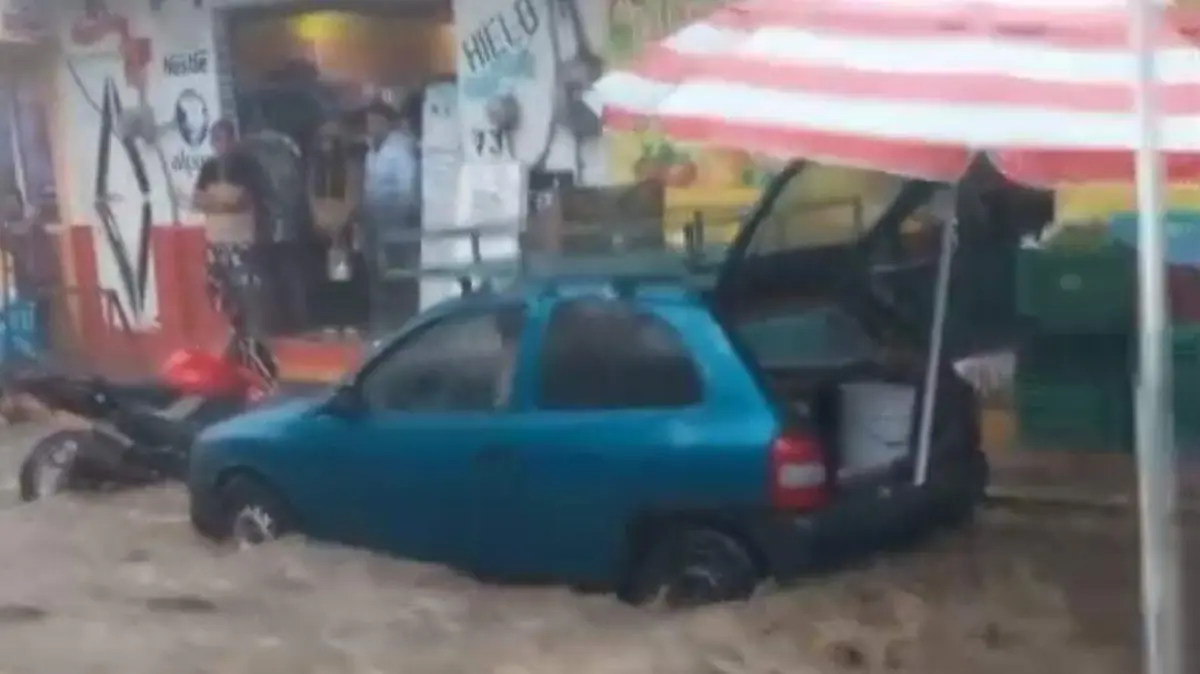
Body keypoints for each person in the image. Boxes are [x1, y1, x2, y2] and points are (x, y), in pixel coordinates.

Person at [189, 119, 277, 383]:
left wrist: (216, 202)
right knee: (222, 297)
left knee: (250, 295)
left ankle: (256, 351)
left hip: (244, 243)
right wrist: (221, 202)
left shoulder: (248, 166)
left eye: (225, 139)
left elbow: (243, 200)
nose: (221, 145)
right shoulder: (208, 168)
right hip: (217, 244)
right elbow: (196, 199)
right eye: (216, 140)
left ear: (233, 140)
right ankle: (232, 349)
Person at [356, 99, 420, 333]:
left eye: (375, 122)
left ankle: (403, 321)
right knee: (377, 272)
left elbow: (408, 187)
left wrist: (402, 218)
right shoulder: (372, 149)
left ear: (387, 123)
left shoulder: (400, 148)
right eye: (368, 122)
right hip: (374, 219)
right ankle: (381, 320)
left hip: (396, 221)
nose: (371, 126)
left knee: (400, 274)